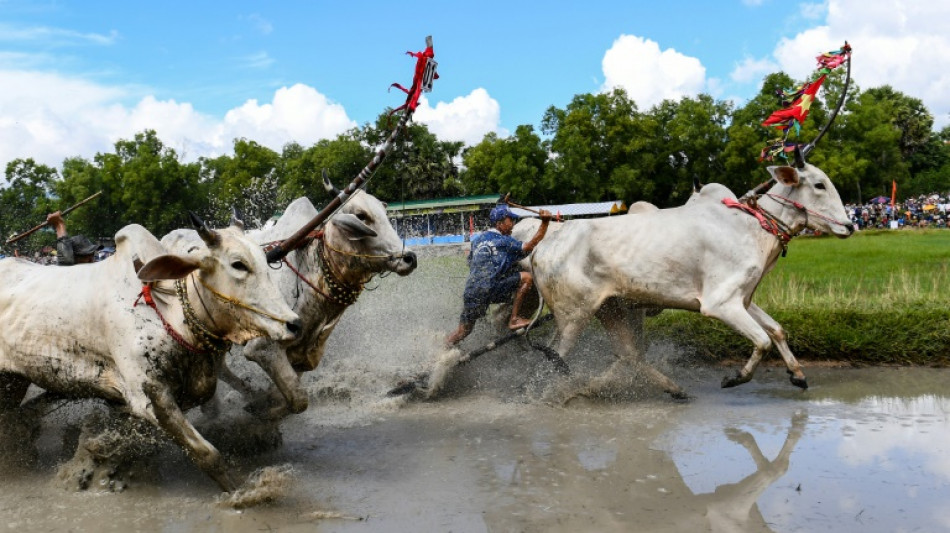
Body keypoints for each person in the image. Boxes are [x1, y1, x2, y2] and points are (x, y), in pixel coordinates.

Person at [446, 204, 553, 346]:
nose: (513, 224)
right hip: (489, 290)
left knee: (462, 331)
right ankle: (514, 319)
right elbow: (529, 246)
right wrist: (545, 223)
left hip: (471, 292)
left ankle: (441, 349)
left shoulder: (478, 240)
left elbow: (471, 262)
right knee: (527, 278)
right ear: (500, 223)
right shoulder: (504, 241)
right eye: (511, 221)